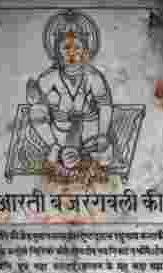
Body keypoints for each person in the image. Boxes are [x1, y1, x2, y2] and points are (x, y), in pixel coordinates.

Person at [26, 13, 118, 171]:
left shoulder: (94, 77)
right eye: (66, 47)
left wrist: (102, 135)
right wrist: (53, 144)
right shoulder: (49, 78)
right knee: (36, 112)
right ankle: (58, 150)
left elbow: (105, 106)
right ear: (57, 52)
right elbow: (37, 109)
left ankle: (78, 155)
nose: (71, 52)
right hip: (59, 131)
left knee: (105, 158)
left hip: (90, 130)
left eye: (77, 47)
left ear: (85, 51)